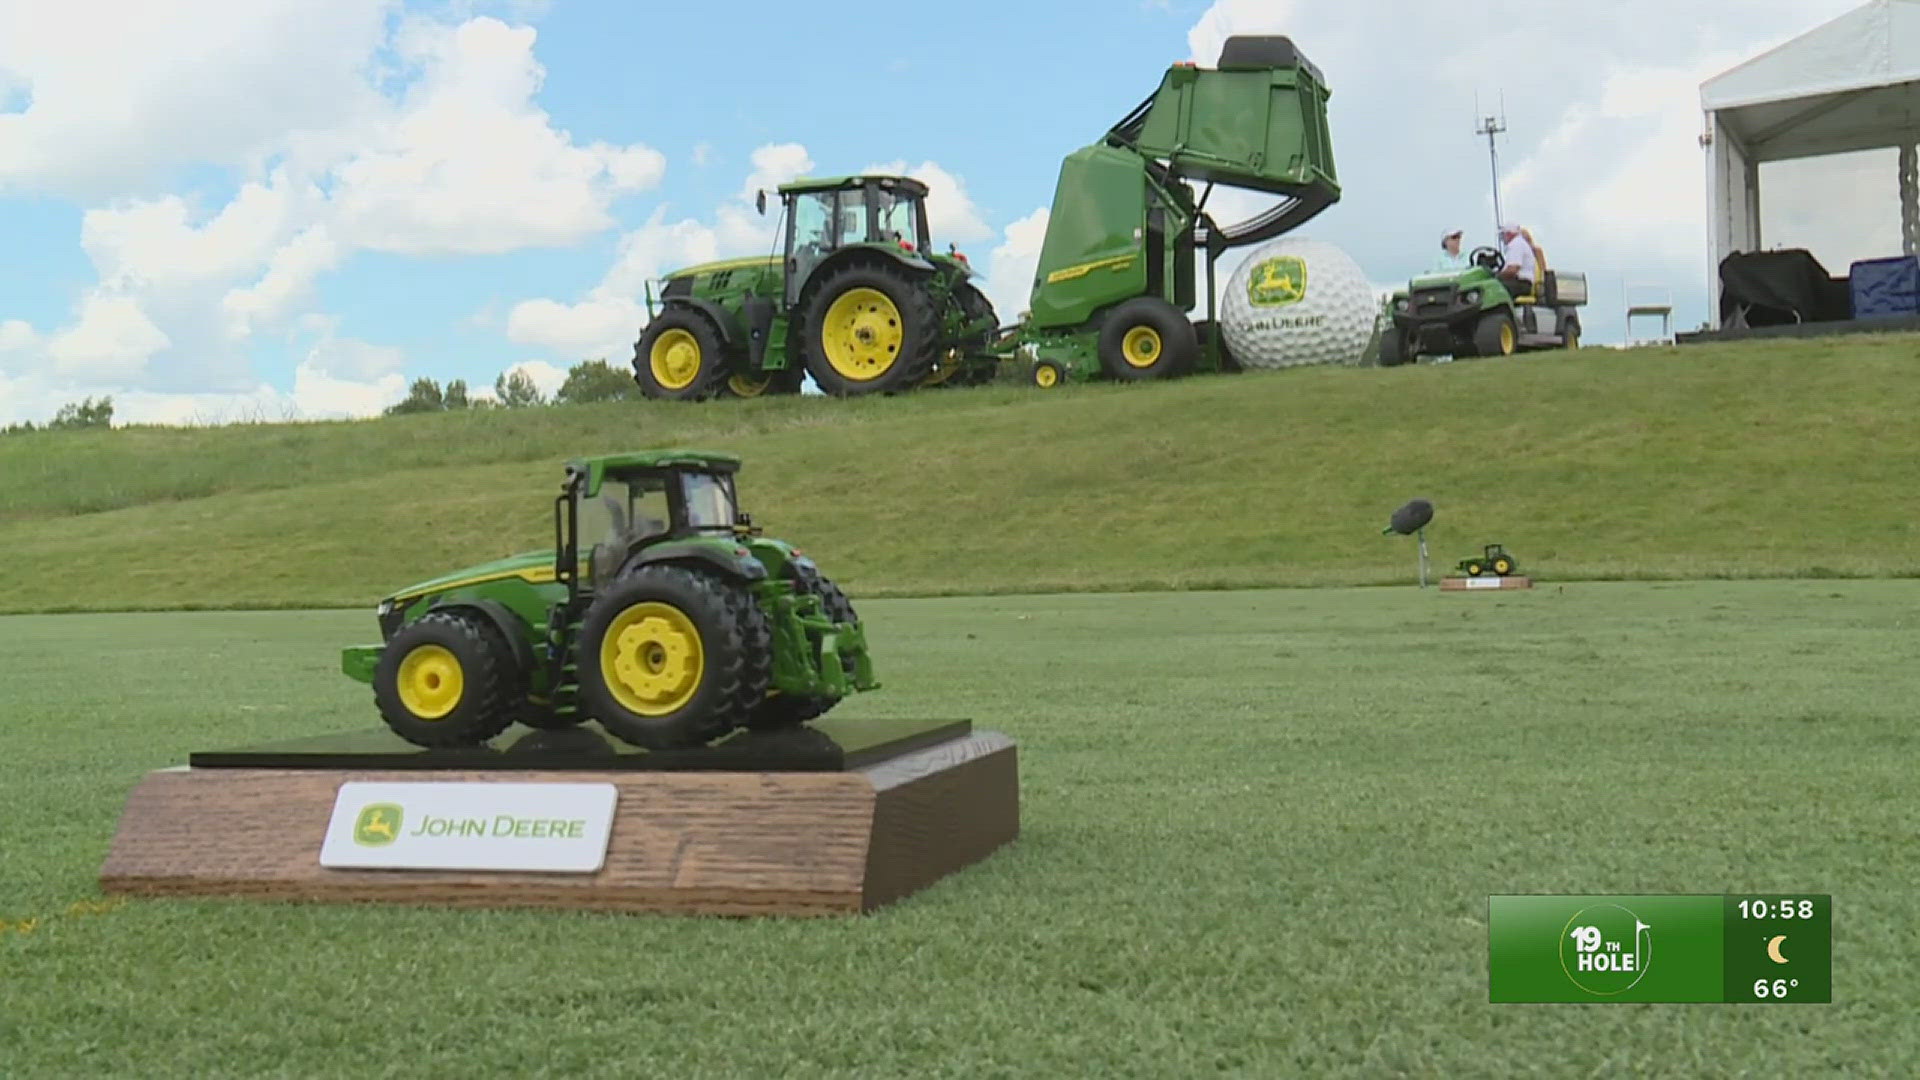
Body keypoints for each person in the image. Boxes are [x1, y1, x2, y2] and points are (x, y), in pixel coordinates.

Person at [1496, 222, 1537, 297]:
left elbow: (1512, 270)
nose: (1503, 238)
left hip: (1521, 284)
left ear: (1509, 234)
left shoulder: (1516, 244)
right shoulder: (1519, 243)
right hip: (1521, 283)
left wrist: (1496, 277)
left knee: (1491, 289)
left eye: (1503, 234)